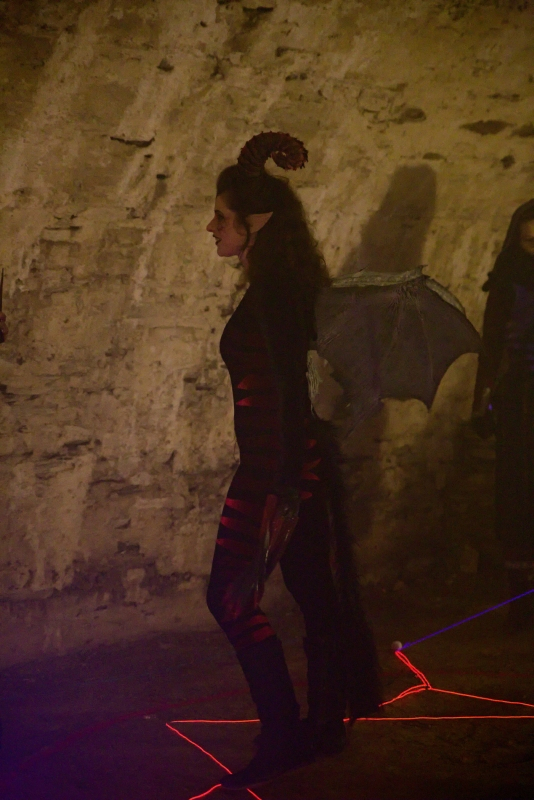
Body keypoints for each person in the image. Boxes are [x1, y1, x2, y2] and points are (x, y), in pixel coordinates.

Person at [205, 131, 381, 791]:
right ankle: (325, 724)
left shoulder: (276, 291)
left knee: (230, 598)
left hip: (275, 469)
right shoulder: (277, 286)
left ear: (254, 225)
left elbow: (284, 390)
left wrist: (282, 487)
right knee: (315, 595)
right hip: (287, 464)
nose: (212, 227)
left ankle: (283, 736)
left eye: (221, 217)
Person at [473, 199, 534, 630]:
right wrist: (482, 402)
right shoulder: (508, 284)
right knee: (517, 492)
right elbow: (491, 347)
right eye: (530, 242)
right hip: (521, 400)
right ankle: (521, 597)